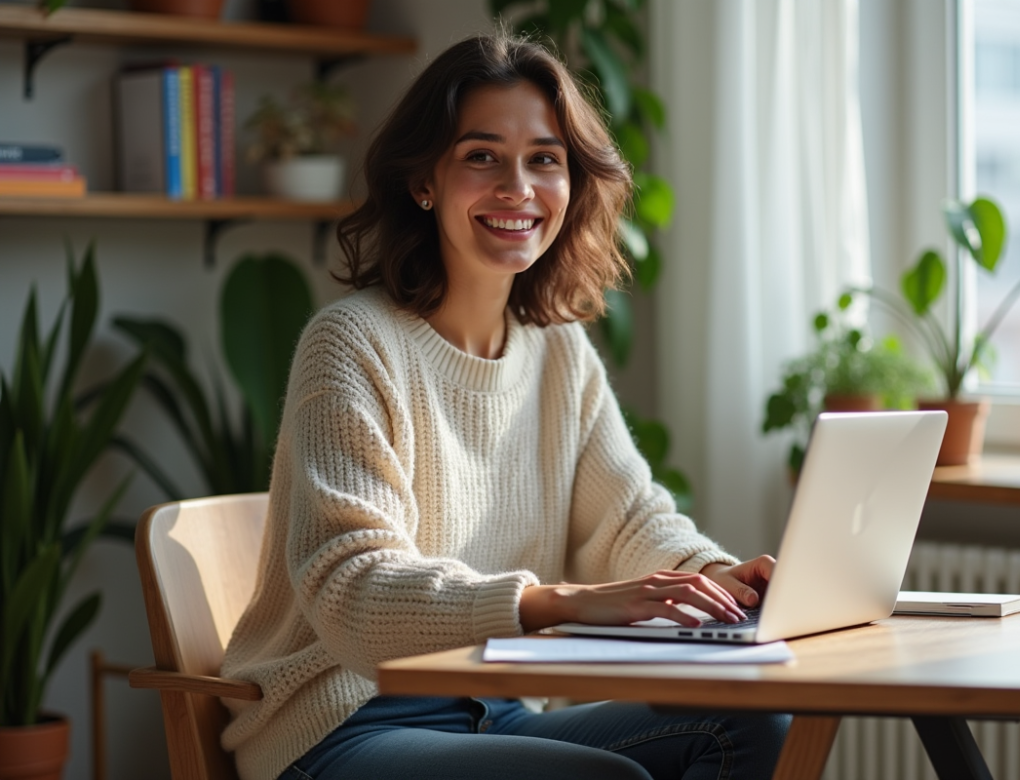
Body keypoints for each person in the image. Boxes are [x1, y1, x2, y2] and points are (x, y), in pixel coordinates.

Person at [220, 31, 790, 780]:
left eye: (544, 160)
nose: (518, 189)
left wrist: (721, 582)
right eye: (482, 156)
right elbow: (352, 592)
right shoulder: (352, 343)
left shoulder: (557, 352)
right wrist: (553, 603)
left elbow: (631, 522)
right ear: (425, 180)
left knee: (750, 720)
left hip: (494, 709)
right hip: (345, 723)